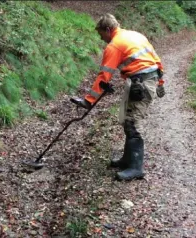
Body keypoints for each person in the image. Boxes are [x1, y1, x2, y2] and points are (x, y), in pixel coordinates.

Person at [71, 13, 165, 181]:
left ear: (108, 29)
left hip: (142, 84)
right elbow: (156, 59)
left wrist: (88, 100)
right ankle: (127, 160)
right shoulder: (135, 35)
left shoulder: (114, 45)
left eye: (101, 34)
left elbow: (104, 75)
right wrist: (160, 81)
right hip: (146, 79)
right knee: (127, 119)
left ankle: (136, 168)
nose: (101, 39)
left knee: (133, 122)